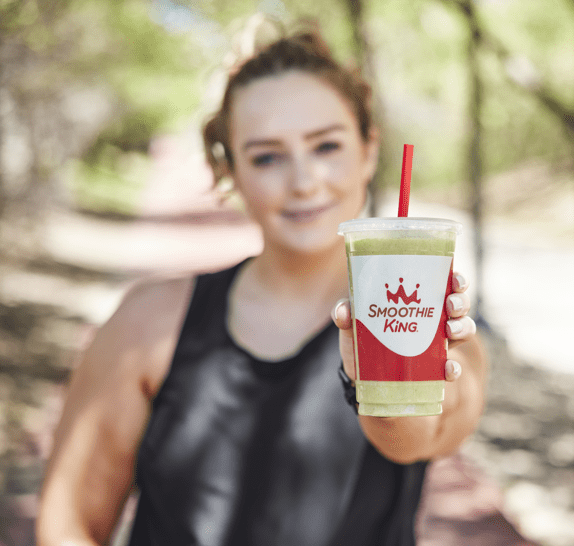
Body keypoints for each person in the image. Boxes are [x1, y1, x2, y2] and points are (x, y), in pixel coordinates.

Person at [36, 25, 487, 546]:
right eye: (267, 156)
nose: (303, 181)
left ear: (368, 151)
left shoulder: (433, 327)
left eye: (327, 146)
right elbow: (68, 526)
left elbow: (416, 440)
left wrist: (379, 377)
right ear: (230, 173)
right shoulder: (148, 321)